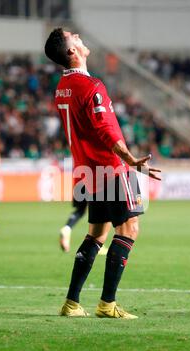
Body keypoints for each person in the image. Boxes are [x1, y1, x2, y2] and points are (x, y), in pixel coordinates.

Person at [45, 28, 161, 319]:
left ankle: (71, 303)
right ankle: (107, 304)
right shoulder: (91, 86)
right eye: (74, 37)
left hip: (86, 171)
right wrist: (132, 160)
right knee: (130, 228)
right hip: (109, 168)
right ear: (72, 51)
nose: (80, 37)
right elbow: (106, 130)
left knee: (97, 233)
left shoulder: (63, 87)